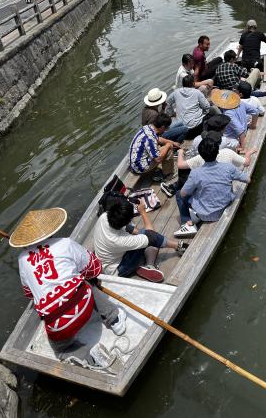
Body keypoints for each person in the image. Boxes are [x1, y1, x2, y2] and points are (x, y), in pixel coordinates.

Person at [12, 207, 126, 367]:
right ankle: (114, 318)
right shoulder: (65, 243)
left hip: (58, 326)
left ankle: (81, 354)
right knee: (85, 282)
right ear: (50, 230)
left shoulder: (22, 259)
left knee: (61, 350)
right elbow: (95, 269)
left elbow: (30, 294)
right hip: (83, 305)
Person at [93, 199, 187, 283]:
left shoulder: (105, 217)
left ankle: (147, 265)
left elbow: (128, 228)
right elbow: (152, 235)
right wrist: (143, 212)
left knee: (143, 235)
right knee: (152, 242)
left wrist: (140, 233)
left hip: (105, 262)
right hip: (118, 269)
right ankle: (150, 264)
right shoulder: (120, 240)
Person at [174, 138, 250, 236]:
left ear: (200, 155)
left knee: (178, 194)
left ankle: (187, 223)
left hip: (204, 214)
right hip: (224, 207)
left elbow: (183, 193)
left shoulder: (196, 173)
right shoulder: (228, 167)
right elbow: (248, 180)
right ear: (217, 152)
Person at [161, 129, 256, 198]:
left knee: (181, 191)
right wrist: (248, 154)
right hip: (225, 197)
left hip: (204, 203)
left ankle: (186, 220)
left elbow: (180, 166)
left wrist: (181, 152)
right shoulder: (228, 157)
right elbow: (247, 176)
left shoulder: (198, 163)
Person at [129, 112, 179, 181]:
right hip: (139, 167)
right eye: (166, 128)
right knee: (168, 151)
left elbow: (157, 139)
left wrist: (171, 142)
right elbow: (158, 159)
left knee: (163, 145)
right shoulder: (150, 138)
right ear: (162, 127)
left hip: (135, 163)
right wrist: (168, 145)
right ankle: (168, 175)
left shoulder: (148, 127)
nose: (166, 130)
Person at [166, 74, 212, 140]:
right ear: (193, 84)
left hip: (182, 128)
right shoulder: (197, 92)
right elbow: (206, 106)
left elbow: (168, 103)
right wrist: (204, 113)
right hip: (197, 127)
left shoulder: (176, 92)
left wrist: (171, 113)